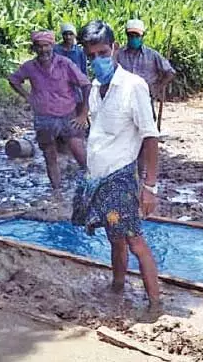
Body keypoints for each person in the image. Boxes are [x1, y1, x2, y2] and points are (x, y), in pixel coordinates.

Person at [73, 20, 161, 314]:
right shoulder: (96, 88)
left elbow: (150, 137)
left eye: (103, 53)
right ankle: (117, 287)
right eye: (91, 56)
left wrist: (149, 187)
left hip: (120, 179)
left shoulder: (133, 87)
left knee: (134, 239)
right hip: (99, 178)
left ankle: (155, 304)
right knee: (116, 237)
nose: (98, 60)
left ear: (115, 48)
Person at [9, 29, 91, 198]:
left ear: (52, 46)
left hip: (68, 114)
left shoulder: (65, 64)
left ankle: (92, 185)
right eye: (39, 46)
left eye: (46, 45)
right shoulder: (30, 67)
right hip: (44, 118)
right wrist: (27, 96)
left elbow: (85, 84)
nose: (43, 50)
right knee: (49, 155)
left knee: (79, 151)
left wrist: (83, 113)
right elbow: (13, 79)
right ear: (34, 48)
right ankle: (57, 194)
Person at [115, 19, 175, 119]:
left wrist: (157, 88)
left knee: (147, 124)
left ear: (142, 36)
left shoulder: (152, 55)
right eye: (131, 35)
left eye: (137, 36)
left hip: (145, 99)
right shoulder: (118, 55)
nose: (133, 38)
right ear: (127, 35)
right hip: (123, 100)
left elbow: (170, 72)